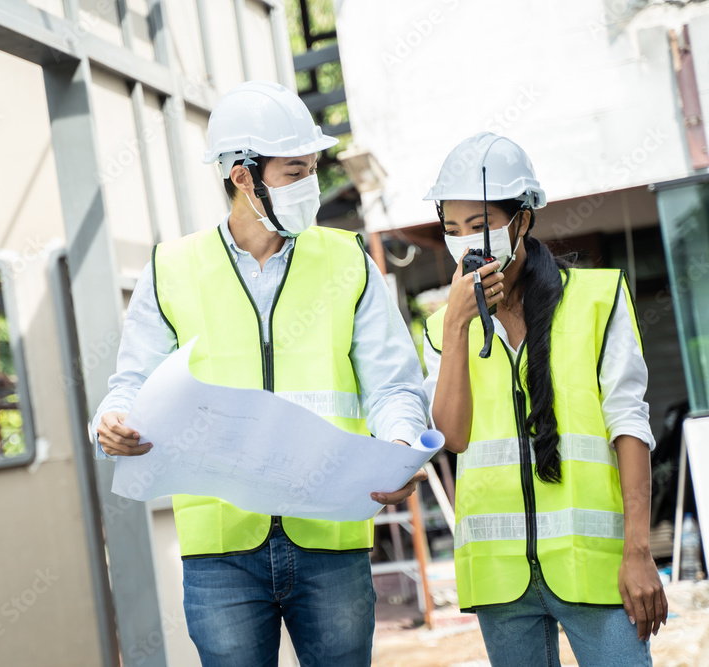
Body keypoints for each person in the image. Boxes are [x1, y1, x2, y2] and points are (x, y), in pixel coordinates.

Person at [91, 81, 429, 667]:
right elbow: (132, 384)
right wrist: (111, 419)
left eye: (312, 169)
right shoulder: (171, 269)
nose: (310, 186)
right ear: (243, 175)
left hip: (328, 533)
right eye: (294, 170)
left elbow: (392, 384)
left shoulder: (347, 260)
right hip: (222, 550)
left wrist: (398, 446)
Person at [422, 132, 667, 667]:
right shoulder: (443, 328)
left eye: (482, 223)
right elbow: (452, 436)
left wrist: (638, 550)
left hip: (596, 568)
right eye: (452, 228)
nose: (467, 241)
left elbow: (629, 424)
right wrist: (460, 325)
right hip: (499, 579)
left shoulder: (597, 301)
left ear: (523, 220)